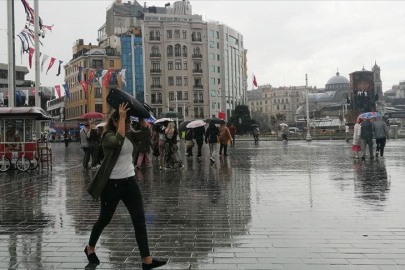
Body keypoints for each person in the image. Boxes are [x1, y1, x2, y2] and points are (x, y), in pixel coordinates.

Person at [85, 103, 166, 269]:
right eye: (126, 122)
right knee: (104, 219)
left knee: (139, 220)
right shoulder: (107, 136)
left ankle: (146, 259)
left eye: (130, 122)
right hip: (111, 184)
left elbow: (146, 133)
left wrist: (142, 116)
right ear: (116, 121)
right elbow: (118, 140)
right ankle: (90, 248)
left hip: (130, 182)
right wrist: (122, 117)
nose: (129, 125)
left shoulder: (128, 133)